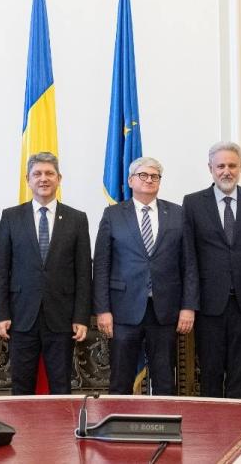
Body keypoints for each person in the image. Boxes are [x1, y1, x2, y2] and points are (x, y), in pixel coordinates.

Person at [93, 156, 198, 396]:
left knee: (164, 381)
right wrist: (102, 310)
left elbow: (189, 264)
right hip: (123, 310)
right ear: (131, 180)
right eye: (143, 175)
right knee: (120, 381)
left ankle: (162, 421)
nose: (149, 180)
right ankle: (118, 420)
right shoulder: (113, 215)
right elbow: (101, 265)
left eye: (154, 176)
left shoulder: (178, 213)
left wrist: (188, 307)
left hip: (165, 311)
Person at [0, 152, 91, 395]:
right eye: (37, 174)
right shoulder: (11, 216)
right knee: (21, 386)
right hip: (21, 316)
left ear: (59, 178)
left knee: (61, 386)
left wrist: (81, 317)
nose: (43, 178)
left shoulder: (77, 219)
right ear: (28, 179)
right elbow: (1, 269)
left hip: (62, 317)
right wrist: (1, 314)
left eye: (49, 173)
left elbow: (83, 272)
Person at [183, 141, 241, 399]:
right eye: (220, 166)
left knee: (238, 373)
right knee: (210, 373)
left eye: (232, 166)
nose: (226, 171)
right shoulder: (193, 203)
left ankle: (239, 422)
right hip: (208, 304)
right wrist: (190, 302)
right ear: (210, 168)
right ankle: (212, 424)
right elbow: (188, 257)